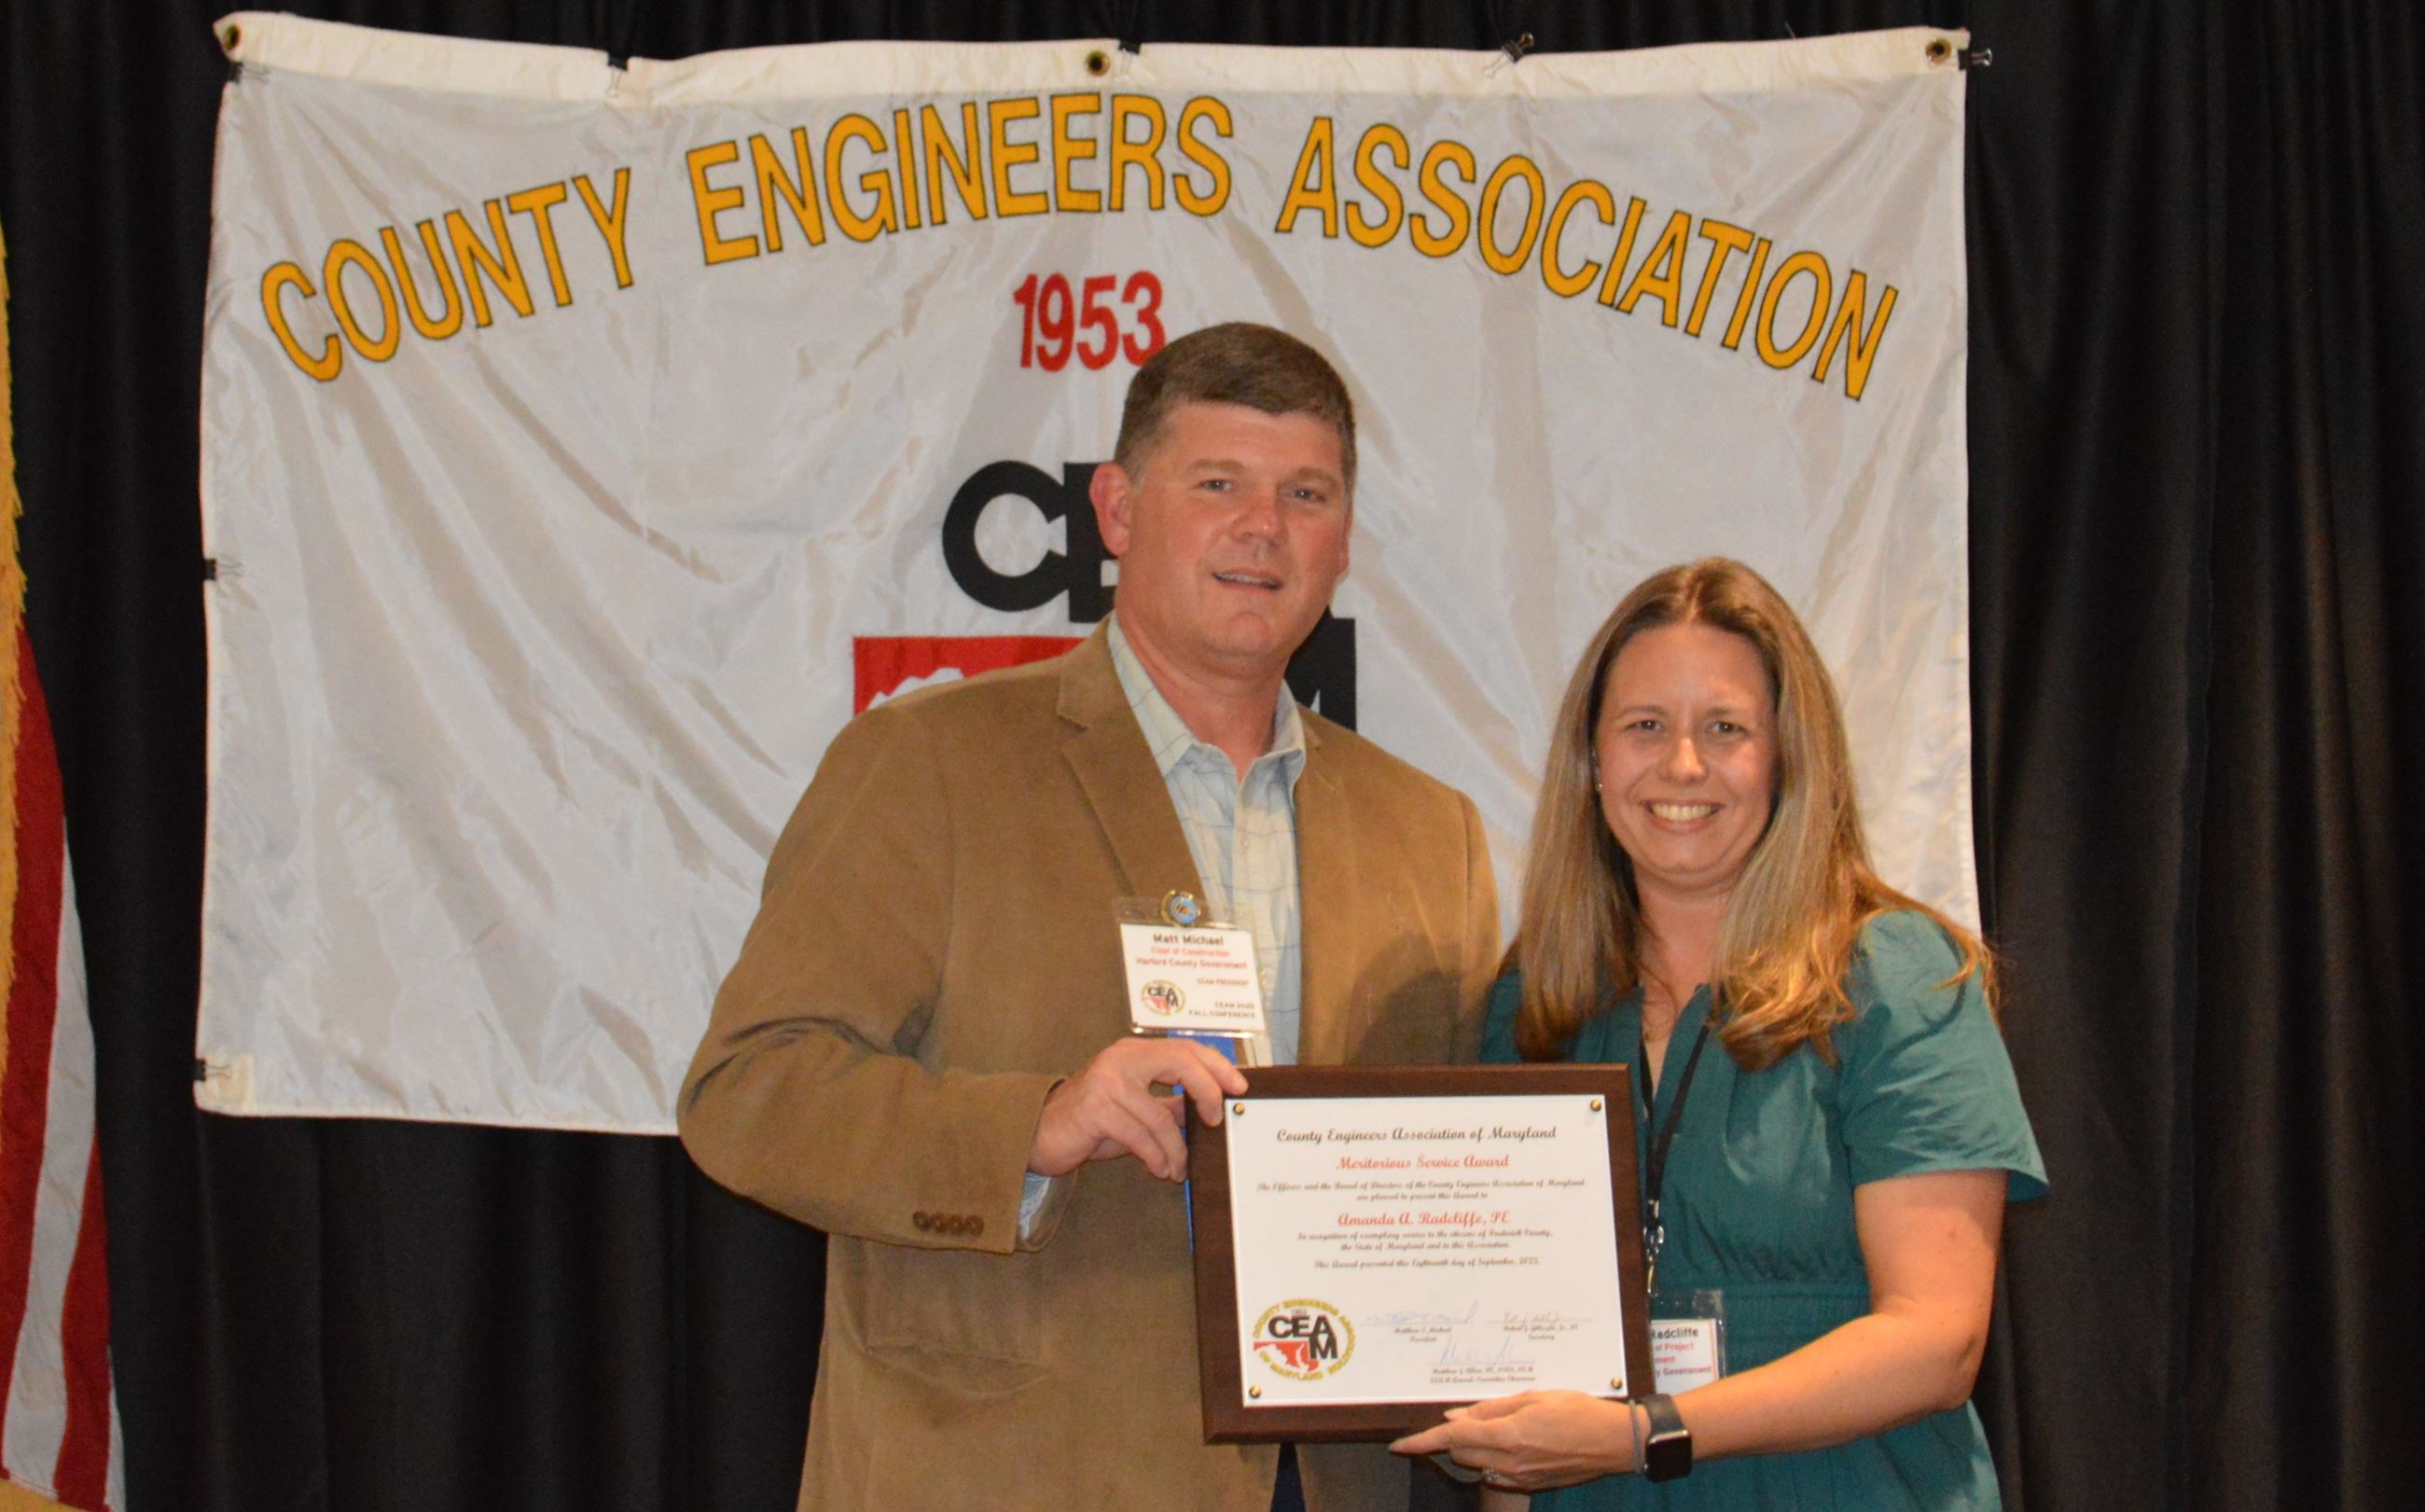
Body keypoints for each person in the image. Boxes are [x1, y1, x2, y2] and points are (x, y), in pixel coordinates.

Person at [679, 322, 1500, 1512]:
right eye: (1216, 484)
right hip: (1001, 1477)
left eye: (1304, 494)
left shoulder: (1431, 834)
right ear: (1115, 509)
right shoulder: (928, 764)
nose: (1261, 528)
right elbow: (747, 1093)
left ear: (1343, 540)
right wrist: (1035, 1123)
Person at [1393, 558, 2043, 1508]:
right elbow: (1512, 1362)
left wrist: (1644, 1431)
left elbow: (1936, 1340)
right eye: (1644, 726)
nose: (1683, 765)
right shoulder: (1540, 999)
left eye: (1726, 728)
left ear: (1787, 757)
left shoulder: (1897, 977)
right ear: (1592, 761)